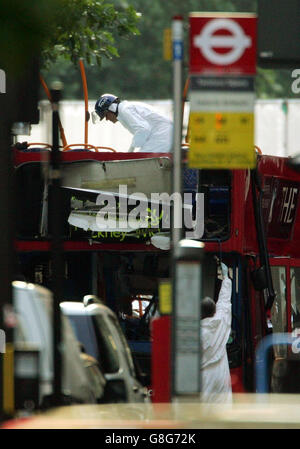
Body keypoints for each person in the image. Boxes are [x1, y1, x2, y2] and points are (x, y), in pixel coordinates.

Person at [93, 93, 173, 153]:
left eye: (106, 115)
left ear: (111, 109)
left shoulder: (125, 110)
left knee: (142, 163)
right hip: (165, 133)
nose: (107, 119)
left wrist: (130, 150)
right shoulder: (125, 109)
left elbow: (143, 130)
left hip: (162, 134)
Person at [200, 262, 232, 403]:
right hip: (221, 378)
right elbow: (224, 301)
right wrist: (226, 278)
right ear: (214, 311)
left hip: (203, 380)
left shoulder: (194, 333)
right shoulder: (221, 322)